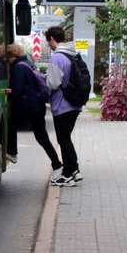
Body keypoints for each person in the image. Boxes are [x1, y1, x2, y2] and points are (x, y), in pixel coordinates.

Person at [4, 43, 61, 171]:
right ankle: (56, 163)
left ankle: (12, 152)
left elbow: (17, 89)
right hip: (37, 105)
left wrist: (7, 93)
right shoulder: (26, 64)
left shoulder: (18, 67)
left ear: (11, 56)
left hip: (28, 106)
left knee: (11, 123)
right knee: (42, 136)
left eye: (7, 58)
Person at [44, 26, 83, 187]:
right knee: (65, 138)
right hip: (75, 104)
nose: (49, 45)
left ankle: (68, 174)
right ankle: (73, 170)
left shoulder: (57, 58)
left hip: (62, 105)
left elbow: (53, 84)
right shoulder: (73, 54)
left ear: (52, 39)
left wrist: (45, 78)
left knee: (63, 139)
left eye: (48, 42)